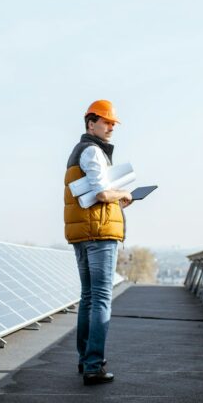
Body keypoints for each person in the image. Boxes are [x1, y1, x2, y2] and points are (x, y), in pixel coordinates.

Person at [64, 99, 132, 386]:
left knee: (90, 298)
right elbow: (103, 194)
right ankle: (94, 365)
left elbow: (92, 196)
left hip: (84, 232)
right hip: (99, 236)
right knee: (101, 299)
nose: (110, 127)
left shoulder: (79, 151)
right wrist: (124, 195)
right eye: (106, 122)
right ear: (90, 123)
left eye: (113, 123)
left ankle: (85, 361)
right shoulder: (92, 151)